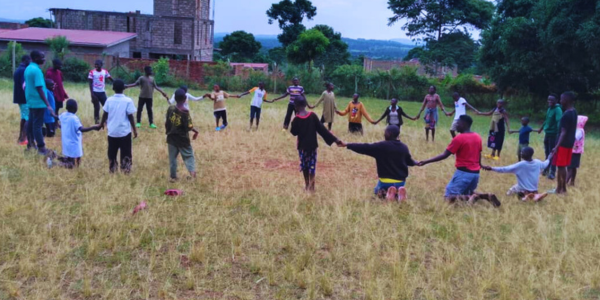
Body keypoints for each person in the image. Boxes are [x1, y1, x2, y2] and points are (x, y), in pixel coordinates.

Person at [418, 115, 501, 207]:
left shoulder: (459, 138)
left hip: (463, 173)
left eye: (458, 123)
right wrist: (480, 164)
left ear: (464, 124)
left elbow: (445, 155)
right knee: (465, 192)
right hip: (475, 174)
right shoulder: (477, 136)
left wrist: (426, 161)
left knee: (448, 198)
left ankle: (472, 197)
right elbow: (479, 152)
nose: (456, 125)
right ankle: (486, 196)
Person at [342, 125, 418, 202]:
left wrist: (348, 145)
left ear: (389, 133)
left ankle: (385, 193)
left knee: (376, 191)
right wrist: (416, 163)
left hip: (385, 182)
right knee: (397, 185)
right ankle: (398, 193)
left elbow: (365, 147)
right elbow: (409, 162)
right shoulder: (404, 147)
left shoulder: (381, 146)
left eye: (385, 132)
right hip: (401, 181)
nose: (384, 134)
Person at [290, 96, 343, 192]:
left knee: (304, 166)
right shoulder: (312, 116)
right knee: (312, 166)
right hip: (313, 147)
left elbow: (294, 132)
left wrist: (294, 119)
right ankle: (312, 187)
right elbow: (322, 130)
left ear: (295, 106)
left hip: (302, 148)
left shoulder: (296, 119)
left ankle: (307, 186)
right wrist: (336, 140)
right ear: (305, 105)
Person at [482, 147, 550, 202]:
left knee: (509, 193)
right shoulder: (538, 162)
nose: (521, 153)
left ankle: (525, 196)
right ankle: (535, 194)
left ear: (527, 154)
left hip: (522, 188)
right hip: (534, 188)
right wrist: (550, 157)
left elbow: (505, 169)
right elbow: (545, 164)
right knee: (519, 187)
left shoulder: (521, 164)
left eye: (522, 152)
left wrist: (492, 168)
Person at [99, 79, 137, 174]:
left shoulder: (109, 100)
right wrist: (134, 130)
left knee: (112, 152)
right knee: (126, 152)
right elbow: (130, 117)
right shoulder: (128, 100)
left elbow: (105, 113)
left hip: (112, 132)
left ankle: (112, 168)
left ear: (113, 88)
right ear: (124, 88)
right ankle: (126, 170)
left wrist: (101, 124)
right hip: (124, 132)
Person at [25, 51, 55, 155]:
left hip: (31, 100)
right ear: (36, 58)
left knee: (31, 122)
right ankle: (41, 148)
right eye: (42, 57)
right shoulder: (37, 71)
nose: (44, 59)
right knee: (37, 125)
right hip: (38, 102)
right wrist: (48, 104)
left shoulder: (28, 68)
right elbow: (39, 88)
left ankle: (30, 144)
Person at [56, 99, 101, 168]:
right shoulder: (74, 118)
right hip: (74, 143)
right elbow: (81, 129)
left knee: (71, 158)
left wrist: (51, 113)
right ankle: (54, 164)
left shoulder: (64, 115)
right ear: (75, 108)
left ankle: (58, 158)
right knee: (71, 164)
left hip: (66, 143)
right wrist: (93, 127)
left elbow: (56, 117)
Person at [166, 89, 199, 181]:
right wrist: (195, 131)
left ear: (175, 98)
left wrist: (168, 131)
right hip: (183, 139)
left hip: (171, 137)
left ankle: (173, 177)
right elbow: (189, 126)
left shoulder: (170, 109)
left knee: (172, 158)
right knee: (189, 156)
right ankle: (192, 174)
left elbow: (167, 122)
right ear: (185, 98)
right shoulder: (185, 112)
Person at [551, 92, 577, 194]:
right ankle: (559, 189)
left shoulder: (566, 114)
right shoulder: (573, 111)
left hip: (563, 144)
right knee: (562, 166)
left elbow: (563, 132)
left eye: (561, 99)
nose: (560, 101)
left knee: (561, 167)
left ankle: (562, 190)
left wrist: (557, 146)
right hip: (569, 144)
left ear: (566, 100)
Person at [538, 94, 562, 180]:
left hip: (553, 134)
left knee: (552, 153)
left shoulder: (557, 110)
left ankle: (552, 172)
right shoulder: (549, 109)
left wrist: (559, 134)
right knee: (547, 152)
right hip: (547, 133)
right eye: (548, 100)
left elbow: (559, 121)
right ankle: (546, 169)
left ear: (556, 100)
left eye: (552, 100)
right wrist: (541, 128)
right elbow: (547, 120)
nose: (550, 102)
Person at [88, 60, 113, 124]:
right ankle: (96, 120)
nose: (96, 66)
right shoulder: (92, 72)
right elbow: (90, 83)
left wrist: (116, 82)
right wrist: (92, 94)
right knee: (97, 107)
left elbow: (110, 79)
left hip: (102, 92)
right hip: (95, 92)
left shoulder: (105, 72)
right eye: (95, 65)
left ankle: (105, 120)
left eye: (97, 65)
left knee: (106, 106)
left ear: (101, 65)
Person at [13, 55, 30, 145]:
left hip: (19, 98)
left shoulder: (18, 69)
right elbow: (24, 85)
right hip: (24, 98)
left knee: (24, 117)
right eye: (30, 61)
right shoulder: (24, 70)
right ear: (26, 60)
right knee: (28, 118)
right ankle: (24, 138)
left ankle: (21, 137)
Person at [567, 115, 587, 186]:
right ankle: (572, 182)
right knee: (573, 167)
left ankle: (565, 182)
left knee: (571, 167)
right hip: (574, 151)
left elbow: (575, 137)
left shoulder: (580, 130)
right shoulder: (578, 130)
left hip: (575, 151)